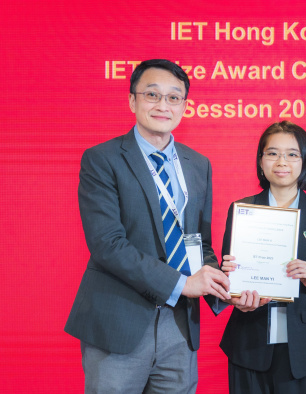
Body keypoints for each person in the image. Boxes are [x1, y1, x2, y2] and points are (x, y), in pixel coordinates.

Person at [64, 59, 231, 393]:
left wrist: (226, 288)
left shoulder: (198, 164)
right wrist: (182, 284)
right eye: (152, 94)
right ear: (132, 101)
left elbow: (199, 242)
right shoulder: (102, 159)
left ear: (185, 105)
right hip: (119, 321)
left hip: (179, 328)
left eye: (173, 97)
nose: (162, 105)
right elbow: (107, 244)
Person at [219, 121, 306, 394]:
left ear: (305, 161)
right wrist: (231, 285)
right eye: (272, 153)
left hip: (302, 349)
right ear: (261, 161)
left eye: (292, 154)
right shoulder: (242, 210)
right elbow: (228, 282)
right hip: (248, 344)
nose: (281, 161)